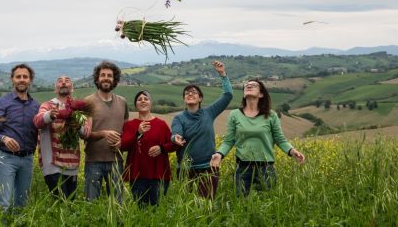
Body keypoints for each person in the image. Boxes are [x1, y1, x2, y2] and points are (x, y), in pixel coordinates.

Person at [211, 79, 306, 196]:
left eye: (254, 85)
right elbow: (229, 141)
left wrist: (292, 151)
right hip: (243, 168)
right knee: (241, 204)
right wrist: (219, 154)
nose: (249, 86)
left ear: (261, 94)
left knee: (267, 202)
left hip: (266, 168)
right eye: (246, 85)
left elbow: (280, 139)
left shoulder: (271, 115)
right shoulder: (234, 114)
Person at [170, 60, 232, 200]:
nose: (190, 94)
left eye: (193, 92)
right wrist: (176, 138)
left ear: (200, 98)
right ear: (184, 99)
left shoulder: (209, 113)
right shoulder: (178, 118)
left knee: (205, 207)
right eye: (186, 93)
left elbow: (227, 95)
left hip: (208, 168)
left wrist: (222, 74)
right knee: (185, 209)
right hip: (185, 170)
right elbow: (176, 132)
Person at [0, 64, 40, 214]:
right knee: (3, 203)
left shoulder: (36, 106)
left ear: (30, 80)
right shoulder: (3, 102)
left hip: (28, 159)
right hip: (6, 158)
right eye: (18, 77)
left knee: (22, 204)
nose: (21, 80)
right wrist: (4, 138)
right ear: (12, 80)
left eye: (25, 77)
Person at [33, 75, 91, 198]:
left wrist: (78, 126)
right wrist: (51, 115)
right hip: (52, 165)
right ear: (55, 89)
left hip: (72, 165)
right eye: (60, 81)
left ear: (72, 88)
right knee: (59, 203)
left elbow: (86, 133)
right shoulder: (48, 105)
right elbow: (37, 121)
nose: (63, 83)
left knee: (70, 205)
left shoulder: (79, 108)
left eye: (67, 80)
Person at [120, 90, 177, 207]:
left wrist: (161, 148)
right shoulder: (130, 125)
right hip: (137, 175)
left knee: (158, 209)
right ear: (135, 105)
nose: (143, 101)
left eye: (146, 99)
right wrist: (138, 133)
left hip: (159, 174)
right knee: (141, 209)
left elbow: (172, 145)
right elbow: (123, 146)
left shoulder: (161, 124)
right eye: (139, 99)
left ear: (151, 103)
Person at [83, 61, 128, 202]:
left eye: (110, 75)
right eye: (103, 75)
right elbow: (84, 134)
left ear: (115, 79)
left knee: (117, 204)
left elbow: (126, 130)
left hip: (117, 161)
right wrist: (103, 134)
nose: (106, 78)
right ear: (97, 78)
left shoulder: (122, 102)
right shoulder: (87, 102)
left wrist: (122, 142)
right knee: (91, 203)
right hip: (93, 161)